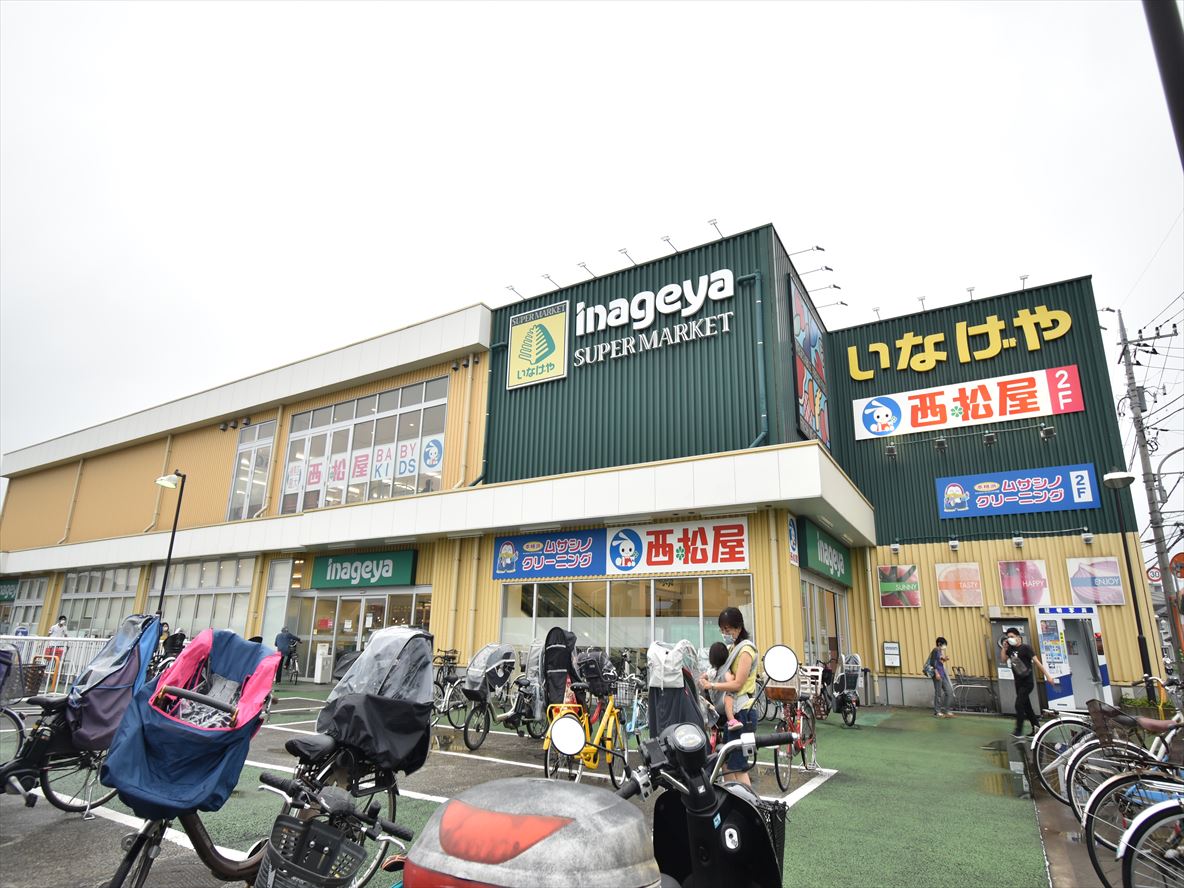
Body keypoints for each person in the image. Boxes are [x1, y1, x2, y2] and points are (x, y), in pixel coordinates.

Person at [698, 607, 760, 787]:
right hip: (732, 713)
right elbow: (718, 668)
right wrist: (705, 676)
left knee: (738, 766)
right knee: (725, 763)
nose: (724, 633)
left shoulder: (745, 651)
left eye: (727, 629)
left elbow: (737, 684)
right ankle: (731, 798)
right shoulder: (731, 648)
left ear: (738, 628)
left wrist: (712, 686)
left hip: (743, 712)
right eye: (722, 630)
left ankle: (747, 801)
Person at [999, 626, 1059, 737]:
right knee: (1027, 707)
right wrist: (1004, 648)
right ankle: (1036, 728)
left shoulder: (1026, 648)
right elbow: (1003, 659)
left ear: (1018, 637)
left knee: (1019, 704)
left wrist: (1048, 676)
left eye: (1012, 636)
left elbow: (1037, 662)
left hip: (1027, 682)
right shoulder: (1010, 649)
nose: (1009, 639)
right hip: (1018, 682)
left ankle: (1018, 731)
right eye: (1008, 637)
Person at [706, 641, 745, 730]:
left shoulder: (711, 670)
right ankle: (732, 720)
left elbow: (703, 676)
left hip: (714, 702)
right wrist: (733, 676)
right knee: (729, 697)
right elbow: (731, 681)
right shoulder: (725, 671)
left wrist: (703, 681)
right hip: (722, 705)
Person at [928, 636, 955, 718]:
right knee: (938, 693)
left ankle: (947, 710)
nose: (945, 646)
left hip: (942, 674)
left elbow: (939, 661)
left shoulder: (940, 651)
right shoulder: (935, 650)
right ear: (939, 644)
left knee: (949, 691)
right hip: (937, 674)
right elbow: (932, 663)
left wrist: (944, 659)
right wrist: (936, 673)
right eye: (944, 644)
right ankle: (937, 711)